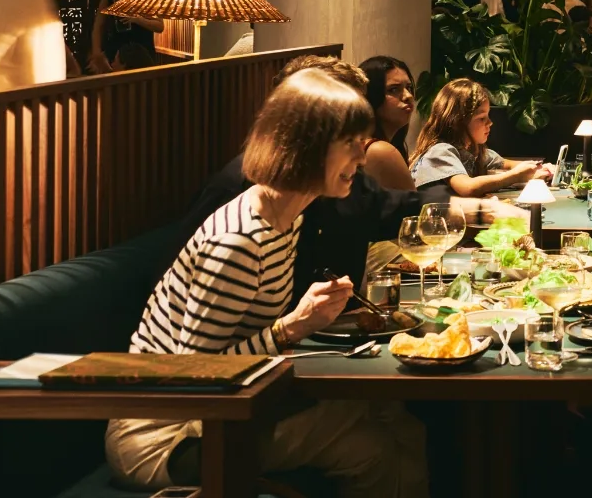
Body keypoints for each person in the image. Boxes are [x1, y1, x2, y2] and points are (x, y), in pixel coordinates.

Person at [107, 70, 427, 496]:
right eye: (350, 144)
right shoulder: (240, 240)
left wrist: (298, 322)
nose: (362, 158)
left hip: (220, 417)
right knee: (374, 428)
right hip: (166, 438)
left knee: (388, 431)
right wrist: (290, 327)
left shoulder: (286, 217)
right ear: (310, 148)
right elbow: (194, 378)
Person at [183, 55, 508, 293]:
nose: (362, 150)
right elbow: (196, 362)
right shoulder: (243, 202)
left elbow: (398, 204)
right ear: (309, 125)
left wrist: (485, 210)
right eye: (348, 135)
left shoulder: (325, 184)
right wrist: (289, 330)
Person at [408, 78, 549, 196]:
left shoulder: (473, 150)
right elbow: (468, 188)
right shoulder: (440, 151)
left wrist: (541, 169)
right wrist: (516, 176)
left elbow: (508, 164)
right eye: (482, 118)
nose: (490, 123)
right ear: (458, 122)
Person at [89, 0, 162, 74]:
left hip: (140, 51)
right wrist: (96, 52)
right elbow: (98, 25)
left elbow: (159, 26)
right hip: (116, 51)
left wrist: (137, 20)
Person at [356, 55, 418, 191]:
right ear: (371, 96)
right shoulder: (379, 150)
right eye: (394, 89)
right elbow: (418, 209)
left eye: (409, 87)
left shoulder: (382, 145)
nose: (408, 96)